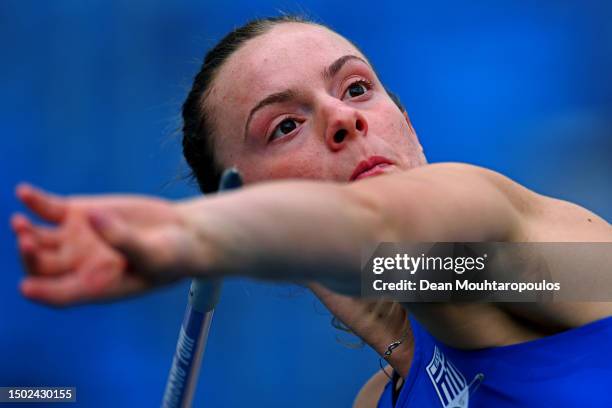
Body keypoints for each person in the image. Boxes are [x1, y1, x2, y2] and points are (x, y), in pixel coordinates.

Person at [10, 15, 612, 407]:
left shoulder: (532, 258)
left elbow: (375, 231)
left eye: (356, 88)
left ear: (408, 125)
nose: (344, 118)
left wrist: (189, 234)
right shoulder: (380, 398)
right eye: (286, 125)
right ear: (252, 199)